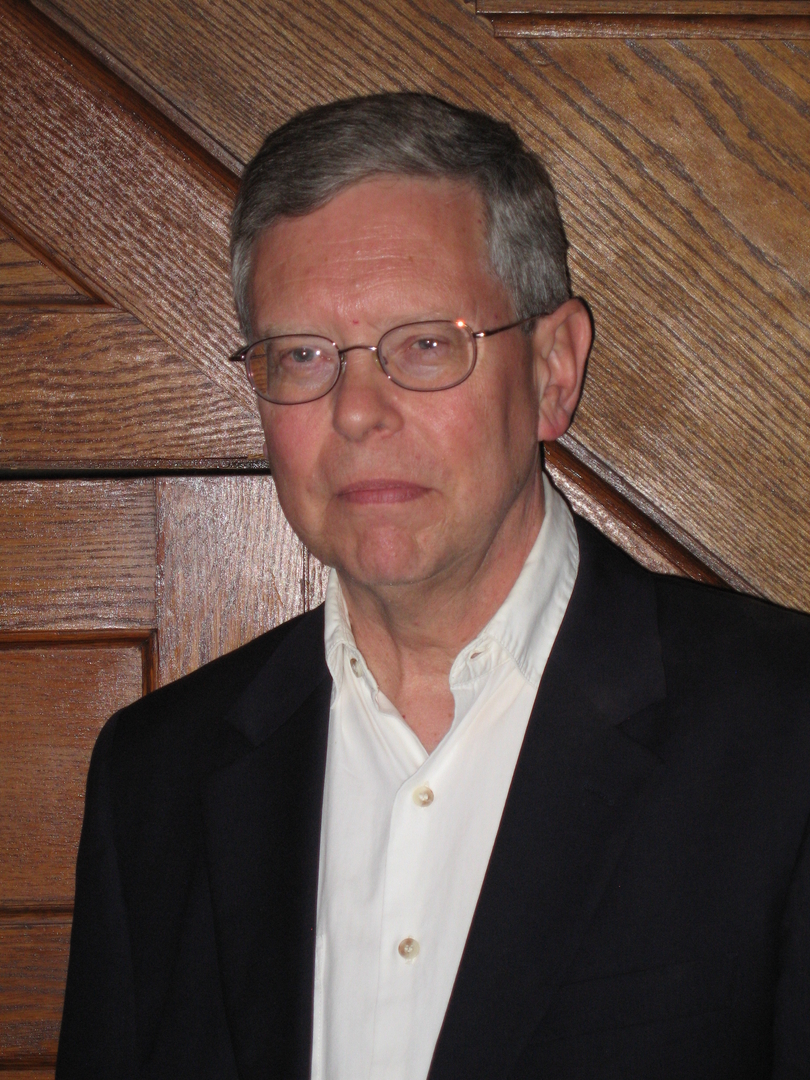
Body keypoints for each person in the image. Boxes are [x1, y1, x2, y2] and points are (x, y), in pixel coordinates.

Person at [56, 93, 810, 1080]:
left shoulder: (785, 735)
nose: (358, 412)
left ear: (552, 370)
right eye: (303, 355)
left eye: (424, 344)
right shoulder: (154, 778)